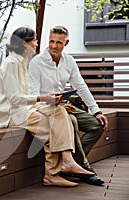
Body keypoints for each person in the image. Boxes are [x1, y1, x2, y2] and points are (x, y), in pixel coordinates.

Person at [0, 26, 94, 187]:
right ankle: (51, 174)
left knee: (59, 110)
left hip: (28, 108)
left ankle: (67, 161)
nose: (37, 43)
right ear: (24, 43)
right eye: (34, 40)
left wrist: (49, 101)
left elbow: (26, 94)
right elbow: (14, 99)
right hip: (13, 114)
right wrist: (43, 98)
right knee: (50, 128)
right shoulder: (11, 64)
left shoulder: (22, 61)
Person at [28, 25, 108, 186]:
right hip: (45, 108)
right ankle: (84, 168)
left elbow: (81, 86)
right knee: (71, 122)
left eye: (58, 42)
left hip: (64, 105)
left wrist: (96, 110)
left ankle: (73, 164)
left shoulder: (69, 61)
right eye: (51, 41)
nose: (53, 46)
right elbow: (33, 95)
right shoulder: (37, 63)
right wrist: (54, 104)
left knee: (96, 125)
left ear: (66, 43)